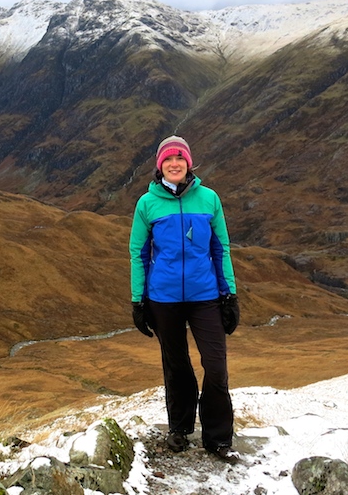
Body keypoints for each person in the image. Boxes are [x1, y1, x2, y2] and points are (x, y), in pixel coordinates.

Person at [128, 135, 240, 462]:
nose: (174, 164)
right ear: (159, 165)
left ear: (189, 163)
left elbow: (221, 249)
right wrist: (139, 301)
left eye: (180, 159)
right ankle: (179, 427)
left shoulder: (209, 200)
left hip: (205, 296)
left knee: (216, 368)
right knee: (177, 367)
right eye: (167, 159)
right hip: (163, 299)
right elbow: (138, 254)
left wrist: (229, 295)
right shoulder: (147, 204)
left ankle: (218, 439)